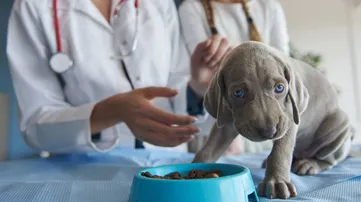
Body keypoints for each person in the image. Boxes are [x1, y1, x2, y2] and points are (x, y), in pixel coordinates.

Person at [6, 0, 232, 154]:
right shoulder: (33, 6)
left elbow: (175, 85)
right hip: (83, 171)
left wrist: (199, 88)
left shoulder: (159, 4)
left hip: (167, 164)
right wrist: (112, 111)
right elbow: (36, 124)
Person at [178, 0, 291, 154]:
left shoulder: (268, 7)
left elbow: (284, 67)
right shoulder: (192, 8)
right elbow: (202, 75)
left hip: (267, 129)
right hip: (216, 129)